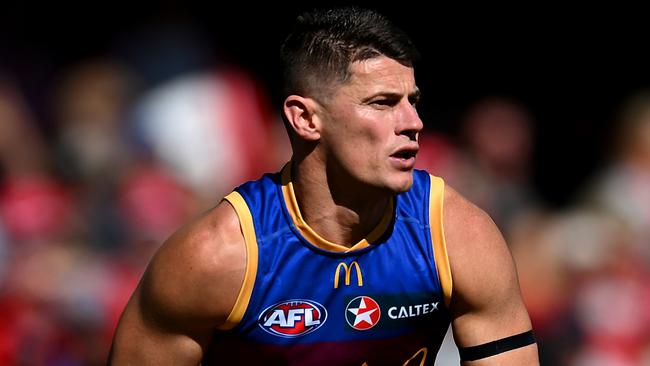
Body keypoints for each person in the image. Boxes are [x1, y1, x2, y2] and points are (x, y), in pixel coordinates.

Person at [108, 6, 539, 365]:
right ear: (306, 119)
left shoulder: (456, 235)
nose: (413, 123)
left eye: (413, 101)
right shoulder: (218, 257)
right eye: (383, 103)